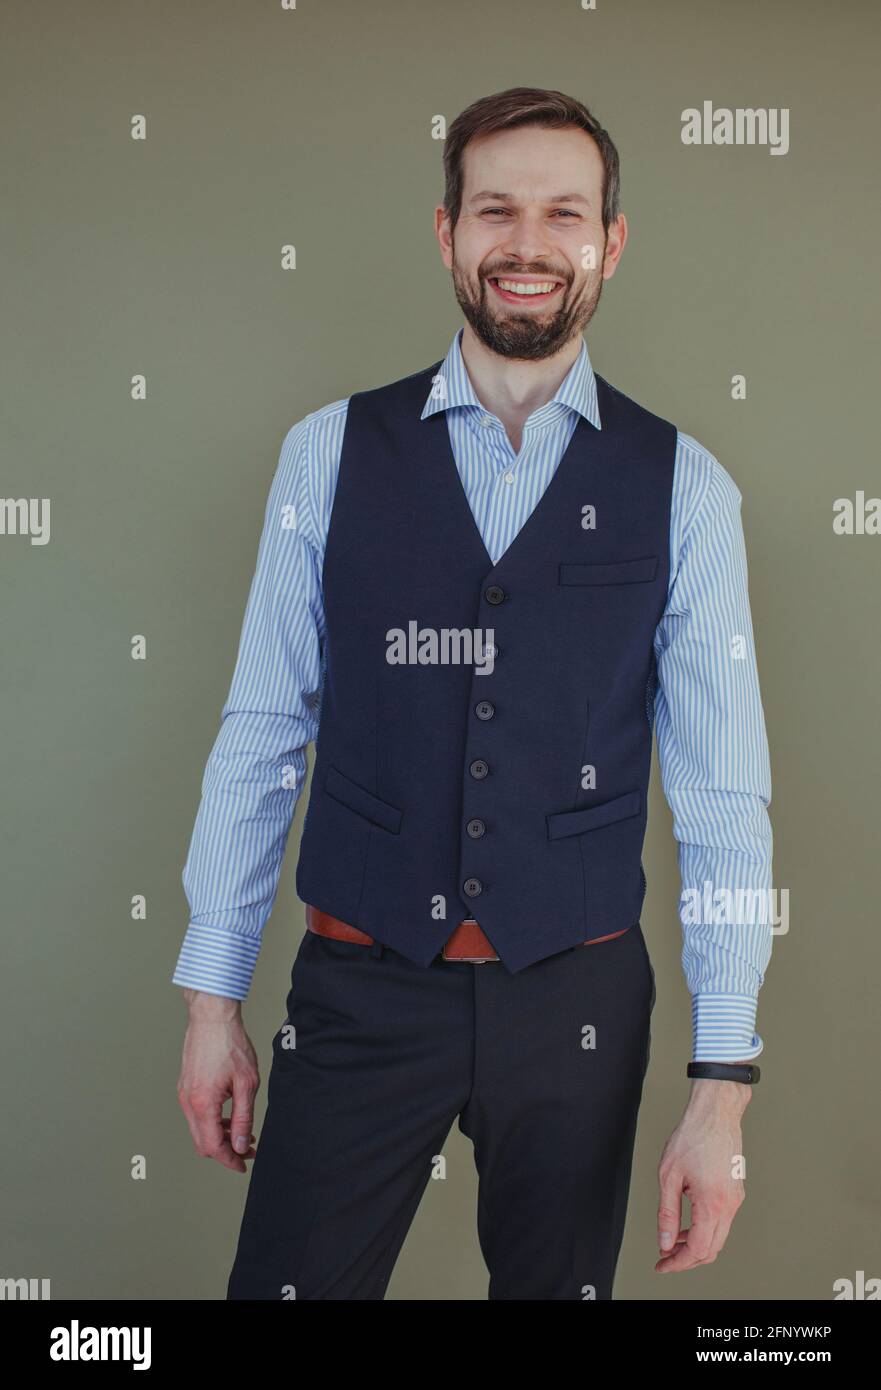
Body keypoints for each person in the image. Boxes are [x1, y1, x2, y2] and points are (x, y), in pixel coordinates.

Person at [174, 86, 773, 1300]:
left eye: (564, 212)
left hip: (577, 1003)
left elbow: (723, 795)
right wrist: (211, 997)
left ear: (609, 243)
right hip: (355, 985)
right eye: (494, 208)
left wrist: (723, 1089)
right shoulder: (326, 454)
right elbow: (261, 729)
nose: (527, 243)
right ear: (445, 231)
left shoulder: (684, 487)